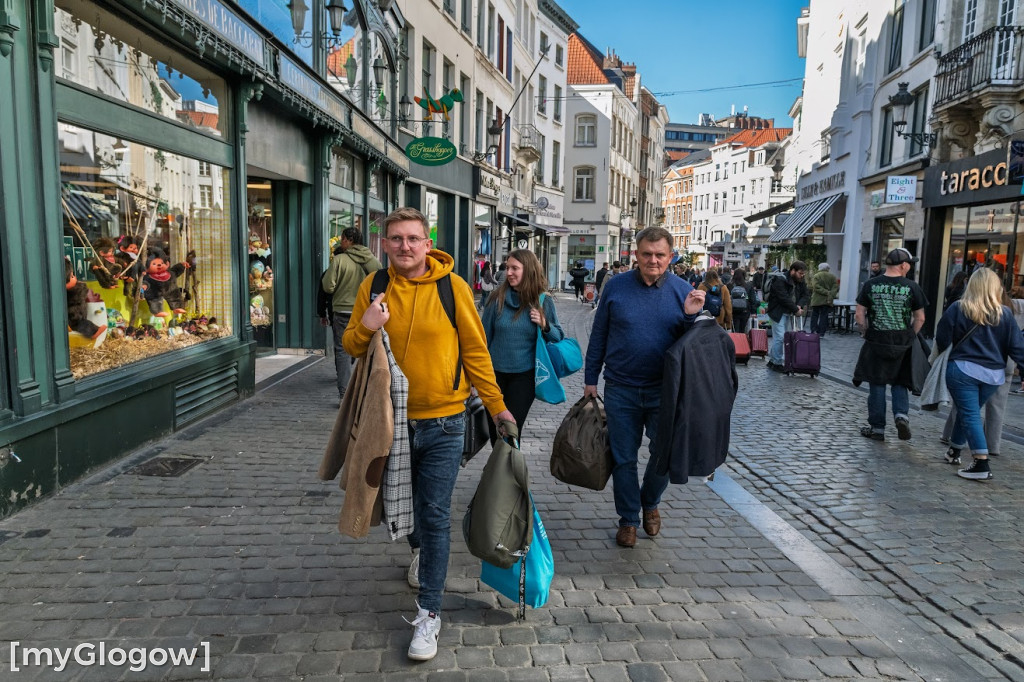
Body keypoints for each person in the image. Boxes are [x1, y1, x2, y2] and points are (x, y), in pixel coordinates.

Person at [343, 207, 514, 662]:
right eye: (396, 239)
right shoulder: (373, 287)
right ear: (385, 244)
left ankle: (429, 614)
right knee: (408, 503)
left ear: (427, 241)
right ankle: (419, 551)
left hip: (444, 420)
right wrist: (367, 326)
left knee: (434, 512)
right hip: (389, 419)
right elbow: (351, 346)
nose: (404, 246)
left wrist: (498, 408)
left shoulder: (452, 286)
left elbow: (476, 351)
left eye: (413, 238)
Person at [583, 226, 705, 548]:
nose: (653, 260)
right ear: (636, 254)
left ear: (670, 257)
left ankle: (650, 501)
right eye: (647, 254)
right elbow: (599, 335)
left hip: (664, 389)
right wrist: (590, 378)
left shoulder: (683, 292)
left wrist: (692, 318)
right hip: (621, 386)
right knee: (624, 458)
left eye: (659, 255)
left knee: (663, 453)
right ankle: (628, 520)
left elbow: (692, 345)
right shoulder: (616, 287)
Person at [935, 268, 1024, 481]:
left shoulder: (958, 308)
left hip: (963, 370)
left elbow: (942, 338)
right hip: (993, 375)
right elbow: (1017, 348)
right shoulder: (1006, 314)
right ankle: (954, 451)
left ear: (971, 285)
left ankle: (981, 462)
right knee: (970, 412)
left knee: (969, 413)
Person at [481, 249, 564, 443]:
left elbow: (558, 336)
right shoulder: (496, 299)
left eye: (514, 268)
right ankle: (503, 470)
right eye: (508, 267)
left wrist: (545, 324)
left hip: (524, 377)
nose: (508, 272)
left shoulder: (542, 300)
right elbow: (482, 339)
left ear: (529, 270)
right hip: (494, 376)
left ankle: (507, 470)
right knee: (496, 429)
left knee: (511, 429)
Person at [853, 248, 927, 441]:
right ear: (903, 265)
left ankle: (877, 428)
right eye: (909, 264)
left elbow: (859, 314)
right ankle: (901, 415)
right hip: (902, 340)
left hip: (877, 338)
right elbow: (920, 318)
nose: (910, 267)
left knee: (877, 383)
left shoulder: (870, 284)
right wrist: (911, 335)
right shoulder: (912, 287)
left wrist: (865, 332)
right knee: (900, 381)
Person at [322, 227, 382, 402]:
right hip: (366, 312)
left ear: (348, 240)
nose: (341, 242)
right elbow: (381, 284)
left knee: (342, 351)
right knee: (362, 348)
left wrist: (340, 288)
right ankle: (364, 392)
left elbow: (328, 286)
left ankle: (345, 394)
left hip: (342, 310)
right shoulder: (372, 260)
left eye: (342, 239)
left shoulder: (339, 259)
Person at [765, 261, 807, 371]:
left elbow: (805, 295)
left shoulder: (800, 281)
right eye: (800, 273)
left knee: (780, 338)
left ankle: (773, 361)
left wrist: (799, 305)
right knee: (780, 337)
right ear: (793, 271)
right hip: (778, 312)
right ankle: (777, 363)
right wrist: (795, 309)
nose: (802, 276)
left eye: (803, 274)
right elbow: (783, 298)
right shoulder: (780, 280)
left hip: (789, 312)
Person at [810, 262, 839, 336]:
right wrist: (830, 294)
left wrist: (825, 292)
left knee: (815, 315)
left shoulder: (816, 276)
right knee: (824, 316)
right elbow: (835, 288)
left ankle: (814, 329)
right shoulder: (833, 276)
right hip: (827, 300)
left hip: (817, 299)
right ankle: (821, 332)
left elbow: (816, 287)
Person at [730, 269, 756, 333]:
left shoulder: (730, 285)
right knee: (743, 329)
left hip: (733, 311)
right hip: (745, 310)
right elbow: (752, 299)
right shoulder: (748, 285)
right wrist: (753, 311)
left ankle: (735, 342)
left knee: (735, 329)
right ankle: (742, 341)